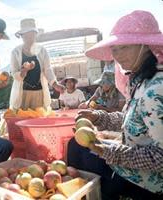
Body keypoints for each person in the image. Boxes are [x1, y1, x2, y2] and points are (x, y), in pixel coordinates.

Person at [68, 10, 163, 200]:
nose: (117, 55)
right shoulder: (141, 79)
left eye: (124, 47)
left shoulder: (156, 89)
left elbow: (160, 158)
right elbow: (135, 121)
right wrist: (99, 118)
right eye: (114, 49)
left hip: (149, 182)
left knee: (78, 151)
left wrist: (107, 151)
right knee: (76, 145)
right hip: (136, 167)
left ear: (145, 46)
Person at [10, 18, 64, 110]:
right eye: (26, 36)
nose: (29, 38)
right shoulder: (16, 52)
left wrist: (55, 84)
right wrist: (23, 71)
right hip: (22, 93)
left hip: (39, 92)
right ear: (22, 36)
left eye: (32, 35)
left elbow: (48, 69)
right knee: (22, 119)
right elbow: (14, 73)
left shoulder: (42, 51)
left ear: (35, 35)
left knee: (38, 119)